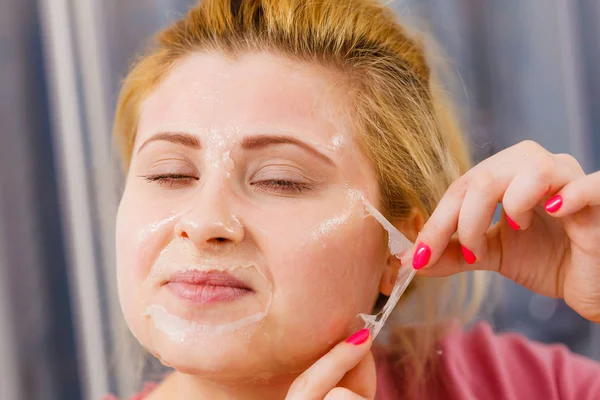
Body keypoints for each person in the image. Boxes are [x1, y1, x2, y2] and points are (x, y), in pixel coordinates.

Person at [105, 0, 600, 398]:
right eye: (169, 174)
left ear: (398, 246)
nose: (204, 220)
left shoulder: (518, 387)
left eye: (282, 180)